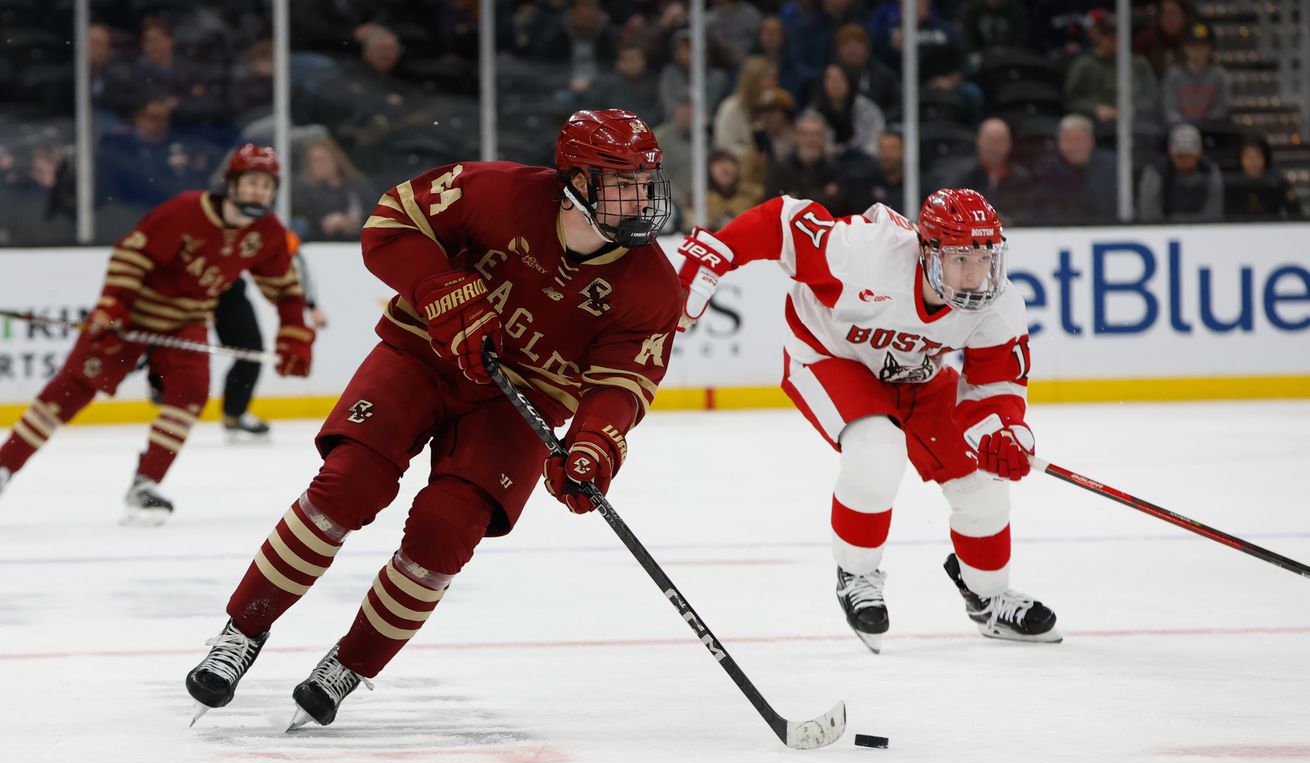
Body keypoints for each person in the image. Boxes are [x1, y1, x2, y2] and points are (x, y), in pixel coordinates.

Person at [184, 109, 681, 729]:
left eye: (645, 180)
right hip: (422, 353)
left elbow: (623, 384)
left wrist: (592, 447)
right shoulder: (493, 191)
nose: (641, 198)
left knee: (445, 535)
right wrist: (441, 288)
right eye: (621, 181)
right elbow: (388, 225)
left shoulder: (655, 287)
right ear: (576, 181)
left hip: (520, 402)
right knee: (346, 487)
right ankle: (242, 631)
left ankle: (350, 664)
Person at [675, 188, 1061, 653]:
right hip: (830, 355)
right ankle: (856, 575)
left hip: (917, 373)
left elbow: (994, 388)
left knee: (982, 483)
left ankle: (989, 596)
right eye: (961, 260)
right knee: (876, 451)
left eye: (986, 260)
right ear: (927, 251)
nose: (976, 275)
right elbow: (782, 221)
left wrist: (1002, 433)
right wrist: (718, 251)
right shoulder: (863, 253)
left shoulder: (998, 303)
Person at [0, 145, 315, 521]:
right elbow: (130, 257)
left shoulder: (266, 233)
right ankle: (5, 465)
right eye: (251, 182)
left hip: (186, 323)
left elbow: (285, 289)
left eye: (266, 185)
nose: (259, 192)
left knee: (191, 394)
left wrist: (296, 333)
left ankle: (145, 484)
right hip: (131, 316)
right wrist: (112, 307)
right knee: (70, 390)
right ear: (231, 184)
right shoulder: (185, 210)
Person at [212, 228, 328, 441]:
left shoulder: (270, 230)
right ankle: (159, 380)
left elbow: (294, 270)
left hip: (228, 291)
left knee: (251, 352)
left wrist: (307, 310)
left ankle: (234, 414)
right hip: (184, 286)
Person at [1138, 122, 1224, 223]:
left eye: (1189, 155)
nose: (1184, 160)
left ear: (1199, 152)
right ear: (1170, 152)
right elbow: (1149, 214)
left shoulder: (1210, 172)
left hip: (1203, 231)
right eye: (1180, 155)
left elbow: (1213, 214)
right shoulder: (1156, 172)